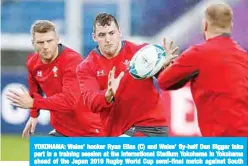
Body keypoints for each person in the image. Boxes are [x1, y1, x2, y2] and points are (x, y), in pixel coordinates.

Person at [157, 3, 248, 136]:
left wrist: (166, 65)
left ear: (205, 25)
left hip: (220, 143)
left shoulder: (197, 54)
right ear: (231, 27)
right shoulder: (244, 57)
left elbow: (164, 82)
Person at [6, 20, 105, 137]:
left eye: (49, 41)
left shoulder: (72, 61)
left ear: (57, 39)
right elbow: (35, 90)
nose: (45, 46)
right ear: (33, 43)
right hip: (62, 130)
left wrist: (33, 103)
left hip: (91, 131)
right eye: (40, 42)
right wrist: (34, 115)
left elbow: (69, 101)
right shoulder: (32, 62)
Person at [76, 13, 169, 137]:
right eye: (102, 35)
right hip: (118, 132)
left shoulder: (141, 53)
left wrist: (167, 67)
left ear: (119, 32)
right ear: (94, 37)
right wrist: (108, 95)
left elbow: (167, 80)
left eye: (111, 33)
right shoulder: (86, 67)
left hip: (150, 126)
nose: (108, 39)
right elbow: (92, 103)